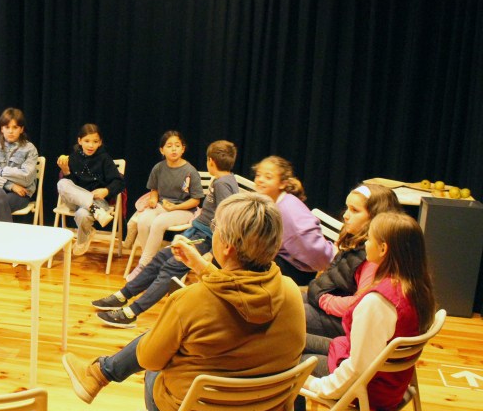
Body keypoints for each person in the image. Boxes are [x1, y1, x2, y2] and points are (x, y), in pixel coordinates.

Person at [62, 192, 304, 411]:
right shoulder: (291, 293)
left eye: (215, 227)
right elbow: (244, 292)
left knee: (158, 361)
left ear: (226, 246)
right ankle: (100, 374)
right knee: (174, 347)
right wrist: (203, 269)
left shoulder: (191, 300)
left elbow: (150, 360)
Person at [294, 212, 436, 411]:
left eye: (369, 239)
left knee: (290, 362)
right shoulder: (416, 287)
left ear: (383, 249)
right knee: (293, 341)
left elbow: (357, 370)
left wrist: (318, 387)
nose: (364, 244)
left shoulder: (378, 302)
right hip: (388, 380)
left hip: (369, 387)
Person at [92, 140, 239, 328]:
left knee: (171, 267)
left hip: (204, 238)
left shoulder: (222, 184)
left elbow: (228, 216)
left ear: (211, 161)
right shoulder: (223, 180)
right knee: (161, 257)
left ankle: (131, 312)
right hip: (196, 233)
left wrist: (212, 248)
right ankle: (123, 295)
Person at [304, 185, 401, 345]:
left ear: (375, 217)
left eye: (355, 210)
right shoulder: (355, 241)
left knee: (287, 313)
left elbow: (360, 304)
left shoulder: (372, 258)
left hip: (346, 323)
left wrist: (324, 300)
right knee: (288, 300)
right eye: (347, 208)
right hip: (333, 303)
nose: (345, 215)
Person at [122, 131, 203, 269]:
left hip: (184, 210)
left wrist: (175, 207)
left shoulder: (190, 171)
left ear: (183, 149)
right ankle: (151, 262)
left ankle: (144, 265)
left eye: (177, 145)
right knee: (143, 220)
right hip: (162, 206)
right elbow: (154, 190)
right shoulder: (158, 168)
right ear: (162, 150)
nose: (173, 149)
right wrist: (153, 199)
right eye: (169, 146)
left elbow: (196, 200)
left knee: (159, 222)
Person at [252, 155, 333, 285]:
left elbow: (314, 251)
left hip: (295, 272)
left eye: (268, 177)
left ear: (282, 184)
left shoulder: (289, 209)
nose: (260, 180)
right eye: (258, 175)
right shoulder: (270, 203)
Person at [0, 107, 39, 278]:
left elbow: (26, 177)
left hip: (21, 196)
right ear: (1, 129)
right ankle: (12, 247)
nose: (11, 131)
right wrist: (10, 185)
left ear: (21, 129)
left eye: (15, 127)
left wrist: (0, 171)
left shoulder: (30, 149)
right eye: (7, 127)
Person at [55, 123, 124, 256]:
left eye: (95, 141)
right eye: (87, 141)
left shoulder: (104, 159)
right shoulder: (74, 157)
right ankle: (94, 209)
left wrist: (106, 191)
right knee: (62, 183)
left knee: (82, 214)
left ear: (100, 142)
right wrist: (66, 171)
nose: (91, 145)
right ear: (79, 141)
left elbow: (119, 182)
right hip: (75, 201)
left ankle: (83, 237)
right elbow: (72, 185)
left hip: (98, 201)